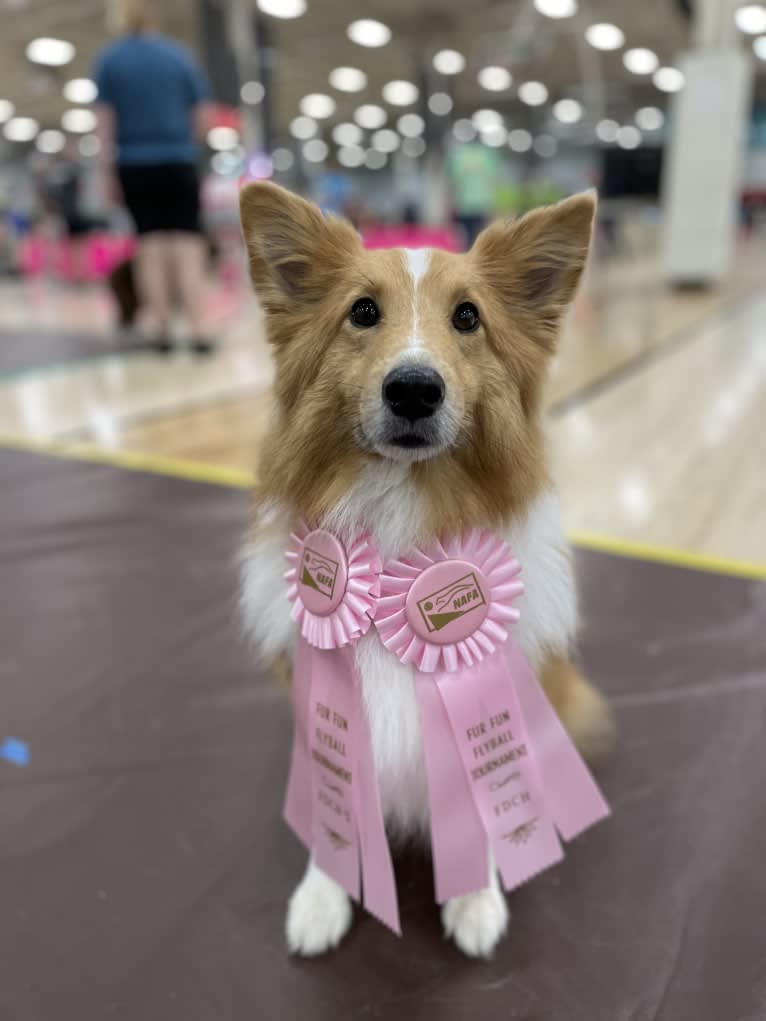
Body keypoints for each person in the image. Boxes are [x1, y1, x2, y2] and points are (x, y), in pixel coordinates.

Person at [93, 0, 214, 353]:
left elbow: (104, 126)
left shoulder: (109, 60)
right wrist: (185, 146)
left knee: (150, 247)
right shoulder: (179, 57)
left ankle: (159, 328)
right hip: (178, 161)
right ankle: (199, 329)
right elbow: (203, 119)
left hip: (134, 164)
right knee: (188, 246)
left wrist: (107, 173)